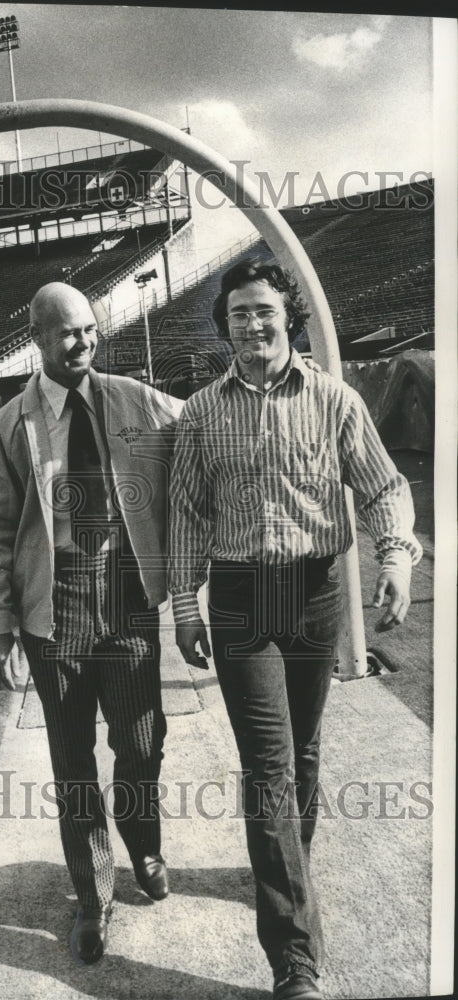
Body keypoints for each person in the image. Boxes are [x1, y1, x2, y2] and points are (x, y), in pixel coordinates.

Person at [168, 260, 422, 1000]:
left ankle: (286, 873)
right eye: (239, 312)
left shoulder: (335, 400)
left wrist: (398, 556)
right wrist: (185, 605)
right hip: (242, 602)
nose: (253, 324)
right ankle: (295, 961)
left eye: (265, 311)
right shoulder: (202, 413)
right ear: (226, 327)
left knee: (304, 754)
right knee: (270, 766)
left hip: (315, 595)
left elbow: (382, 485)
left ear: (290, 319)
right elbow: (185, 513)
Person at [0, 281, 184, 964]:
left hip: (125, 589)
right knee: (72, 765)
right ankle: (93, 897)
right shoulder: (8, 426)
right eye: (67, 332)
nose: (83, 342)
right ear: (35, 336)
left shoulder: (134, 400)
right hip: (55, 601)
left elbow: (204, 424)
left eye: (90, 329)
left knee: (142, 741)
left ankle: (143, 843)